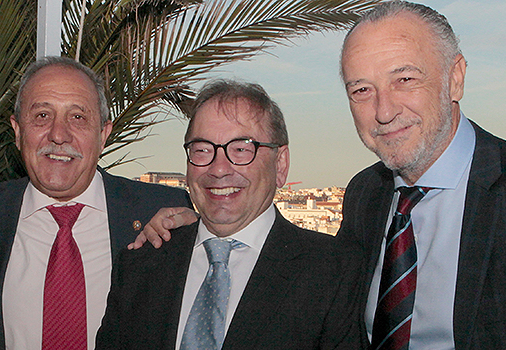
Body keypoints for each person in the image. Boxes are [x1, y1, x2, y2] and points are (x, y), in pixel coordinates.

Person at [132, 1, 506, 349]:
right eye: (361, 90)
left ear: (455, 77)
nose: (383, 110)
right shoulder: (366, 194)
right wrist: (204, 226)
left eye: (404, 79)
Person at [96, 79, 366, 349]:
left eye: (241, 149)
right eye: (202, 150)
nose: (219, 168)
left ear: (280, 164)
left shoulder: (334, 272)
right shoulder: (139, 267)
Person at [0, 56, 192, 350]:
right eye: (42, 115)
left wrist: (204, 237)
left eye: (78, 117)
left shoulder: (162, 213)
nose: (59, 134)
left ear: (103, 135)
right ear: (18, 131)